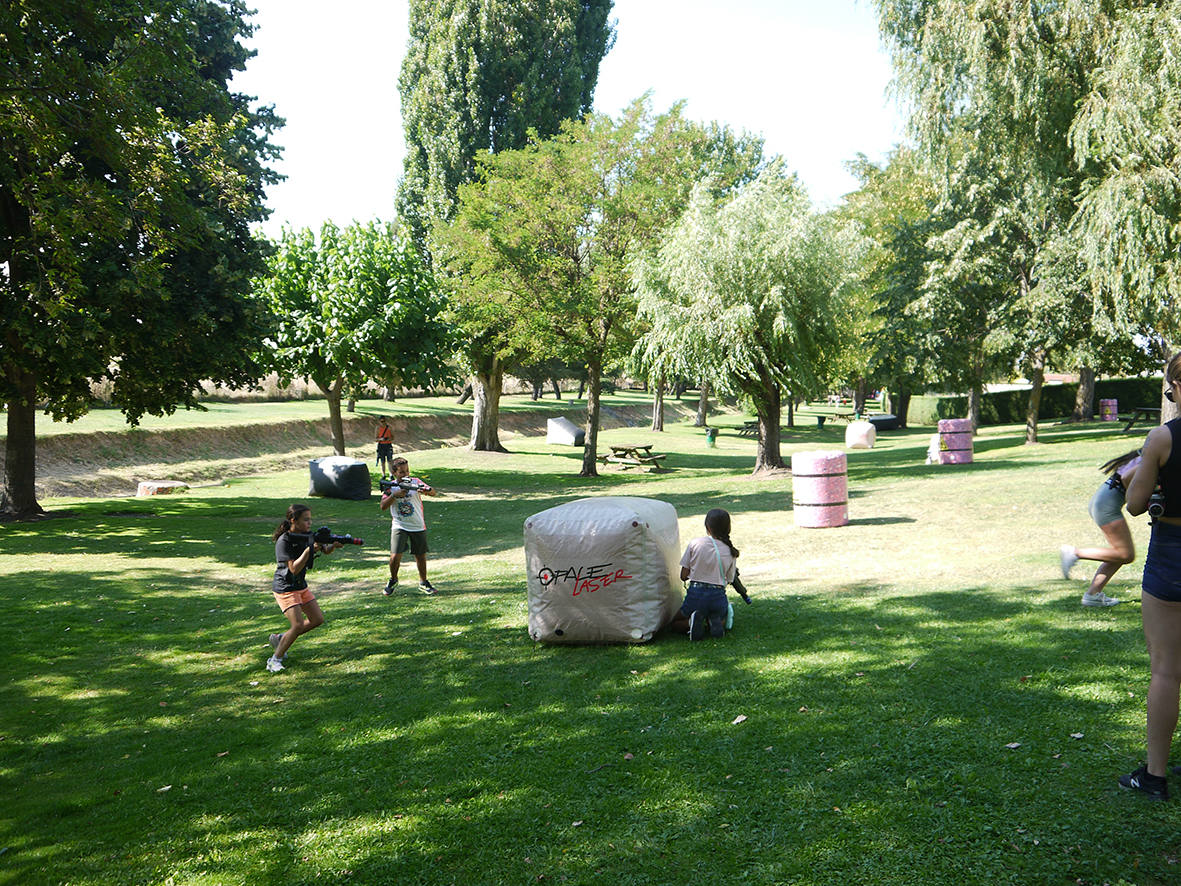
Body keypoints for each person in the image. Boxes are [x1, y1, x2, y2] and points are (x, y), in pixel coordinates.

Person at [1121, 353, 1181, 800]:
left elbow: (1136, 504)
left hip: (1171, 554)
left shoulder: (1162, 438)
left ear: (1177, 388)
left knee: (1165, 670)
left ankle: (1155, 776)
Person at [1060, 449, 1142, 607]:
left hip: (1102, 502)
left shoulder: (1147, 455)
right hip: (1106, 506)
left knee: (1119, 555)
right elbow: (1126, 478)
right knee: (1125, 554)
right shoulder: (1149, 460)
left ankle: (1093, 595)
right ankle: (1075, 553)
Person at [267, 503, 342, 673]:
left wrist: (333, 546)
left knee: (317, 619)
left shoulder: (308, 535)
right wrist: (308, 551)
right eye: (305, 520)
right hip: (285, 587)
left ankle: (281, 639)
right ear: (293, 520)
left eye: (310, 519)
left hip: (300, 586)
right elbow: (293, 569)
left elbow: (325, 550)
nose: (309, 523)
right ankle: (274, 660)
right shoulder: (284, 541)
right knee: (298, 625)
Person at [671, 508, 746, 640]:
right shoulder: (731, 551)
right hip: (717, 597)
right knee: (718, 615)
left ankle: (692, 622)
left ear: (707, 526)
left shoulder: (695, 543)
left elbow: (683, 576)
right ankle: (715, 622)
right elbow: (729, 578)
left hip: (696, 595)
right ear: (728, 528)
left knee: (675, 623)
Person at [380, 456, 440, 596]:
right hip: (399, 525)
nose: (406, 474)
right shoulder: (391, 487)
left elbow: (433, 492)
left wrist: (425, 490)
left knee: (420, 555)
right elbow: (383, 506)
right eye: (401, 472)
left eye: (407, 471)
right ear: (394, 473)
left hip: (417, 525)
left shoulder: (416, 482)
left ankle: (423, 582)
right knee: (395, 556)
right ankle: (393, 580)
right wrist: (395, 495)